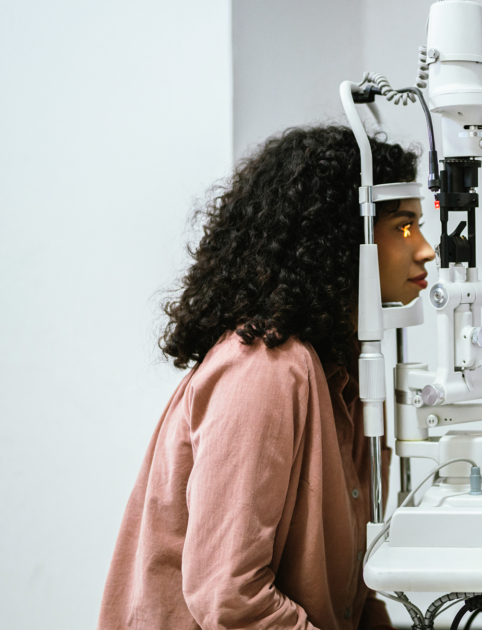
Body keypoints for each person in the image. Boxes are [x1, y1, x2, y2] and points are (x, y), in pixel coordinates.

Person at [98, 125, 435, 630]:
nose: (427, 250)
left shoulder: (341, 376)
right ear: (344, 236)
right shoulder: (266, 368)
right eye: (405, 227)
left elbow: (347, 597)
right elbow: (230, 597)